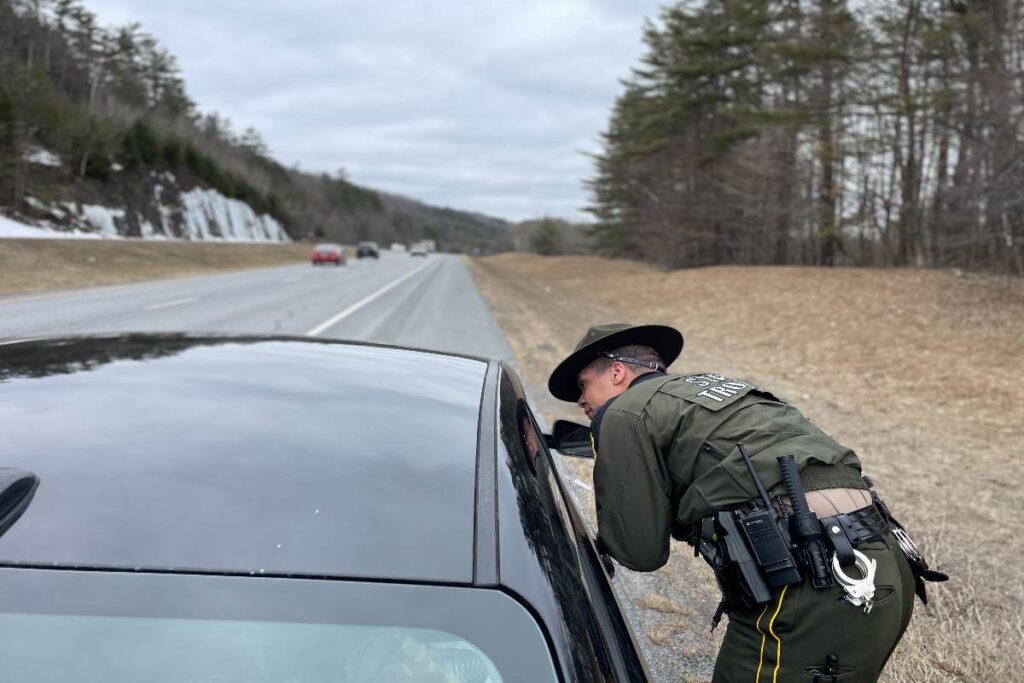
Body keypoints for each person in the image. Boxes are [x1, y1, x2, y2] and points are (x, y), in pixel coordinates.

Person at [548, 323, 945, 683]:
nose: (581, 400)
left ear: (617, 373)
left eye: (583, 385)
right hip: (882, 564)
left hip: (809, 582)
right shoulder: (716, 390)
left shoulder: (625, 413)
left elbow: (639, 551)